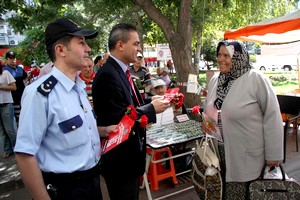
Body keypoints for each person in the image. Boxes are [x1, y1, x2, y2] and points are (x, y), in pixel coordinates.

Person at [14, 18, 103, 200]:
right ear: (60, 50)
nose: (88, 49)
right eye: (81, 42)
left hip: (92, 183)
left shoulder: (78, 87)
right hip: (65, 190)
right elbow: (25, 154)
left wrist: (103, 130)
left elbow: (74, 132)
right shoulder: (39, 94)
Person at [92, 23, 170, 200]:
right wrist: (151, 109)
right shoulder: (107, 75)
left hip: (131, 158)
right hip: (120, 161)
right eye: (136, 44)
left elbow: (131, 104)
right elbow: (119, 118)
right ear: (120, 45)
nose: (139, 48)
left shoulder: (121, 70)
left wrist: (152, 101)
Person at [203, 40, 283, 199]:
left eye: (227, 55)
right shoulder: (215, 80)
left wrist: (273, 154)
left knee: (245, 193)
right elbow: (210, 109)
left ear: (239, 57)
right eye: (219, 54)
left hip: (246, 154)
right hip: (219, 154)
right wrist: (205, 123)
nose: (221, 59)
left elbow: (272, 116)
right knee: (222, 193)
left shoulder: (255, 79)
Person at [3, 51, 29, 123]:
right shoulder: (4, 70)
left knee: (24, 112)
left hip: (22, 93)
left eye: (14, 58)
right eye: (11, 58)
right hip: (11, 96)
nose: (13, 60)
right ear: (7, 59)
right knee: (16, 117)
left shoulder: (20, 68)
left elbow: (25, 77)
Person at [0, 66, 17, 159]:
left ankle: (19, 148)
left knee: (9, 129)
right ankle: (8, 149)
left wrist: (1, 86)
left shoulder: (5, 73)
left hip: (6, 104)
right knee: (2, 131)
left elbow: (14, 87)